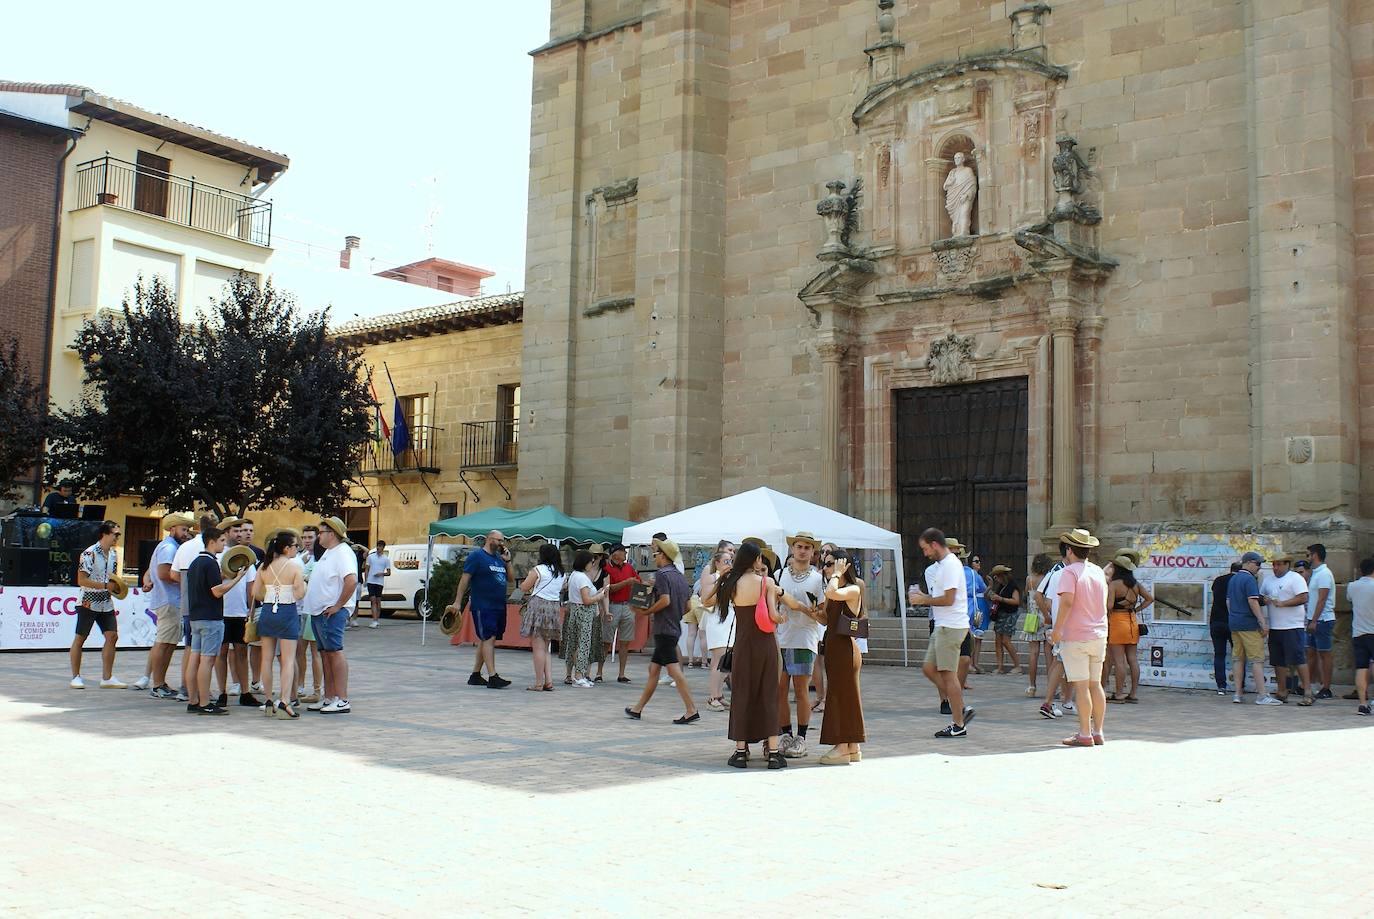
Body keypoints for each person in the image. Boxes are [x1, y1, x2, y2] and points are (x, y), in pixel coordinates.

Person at [709, 540, 784, 766]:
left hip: (743, 645)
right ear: (757, 559)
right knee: (769, 694)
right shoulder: (766, 582)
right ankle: (772, 753)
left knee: (741, 695)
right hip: (766, 646)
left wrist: (722, 578)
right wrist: (783, 617)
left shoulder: (732, 583)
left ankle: (741, 752)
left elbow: (706, 600)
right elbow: (773, 615)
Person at [624, 538, 700, 726]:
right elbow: (688, 606)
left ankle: (691, 709)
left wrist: (646, 611)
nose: (654, 557)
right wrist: (673, 614)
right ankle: (637, 709)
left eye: (656, 554)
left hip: (664, 628)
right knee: (654, 670)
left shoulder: (662, 575)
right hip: (672, 627)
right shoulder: (681, 577)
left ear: (664, 556)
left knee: (674, 670)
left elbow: (665, 600)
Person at [910, 528, 974, 738]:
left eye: (926, 548)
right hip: (943, 625)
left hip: (951, 626)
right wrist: (923, 596)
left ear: (935, 544)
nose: (925, 553)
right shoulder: (943, 565)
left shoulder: (950, 565)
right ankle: (960, 706)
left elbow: (948, 599)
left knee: (948, 675)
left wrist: (923, 600)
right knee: (929, 668)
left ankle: (958, 723)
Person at [1050, 528, 1110, 747]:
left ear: (1069, 550)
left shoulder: (1069, 572)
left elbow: (1066, 601)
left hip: (1076, 636)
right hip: (1098, 634)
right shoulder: (1097, 571)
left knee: (1082, 686)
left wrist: (1057, 630)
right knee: (1096, 685)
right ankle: (1098, 731)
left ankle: (1084, 733)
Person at [185, 527, 248, 716]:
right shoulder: (210, 563)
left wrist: (227, 576)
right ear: (212, 541)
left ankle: (193, 700)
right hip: (210, 618)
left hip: (196, 617)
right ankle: (205, 703)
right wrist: (237, 579)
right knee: (207, 660)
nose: (224, 544)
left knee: (194, 659)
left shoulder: (196, 562)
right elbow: (216, 591)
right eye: (222, 541)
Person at [774, 532, 825, 758]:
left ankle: (801, 737)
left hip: (804, 638)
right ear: (792, 549)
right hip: (780, 638)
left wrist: (809, 611)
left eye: (807, 547)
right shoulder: (779, 574)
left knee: (801, 689)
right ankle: (785, 733)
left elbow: (824, 615)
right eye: (799, 546)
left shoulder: (817, 579)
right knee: (779, 688)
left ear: (813, 552)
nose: (802, 550)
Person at [302, 517, 358, 713]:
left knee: (335, 652)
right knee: (325, 654)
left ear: (331, 534)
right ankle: (329, 697)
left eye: (321, 532)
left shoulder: (342, 553)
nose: (318, 536)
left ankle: (342, 699)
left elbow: (351, 581)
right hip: (319, 612)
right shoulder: (329, 553)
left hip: (330, 612)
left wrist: (338, 606)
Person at [816, 549, 866, 765]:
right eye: (825, 565)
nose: (826, 568)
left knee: (842, 697)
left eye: (830, 564)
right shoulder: (835, 588)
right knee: (843, 695)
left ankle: (843, 746)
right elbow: (827, 619)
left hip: (845, 649)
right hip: (834, 647)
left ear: (843, 566)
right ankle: (852, 745)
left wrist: (836, 574)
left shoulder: (853, 589)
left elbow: (831, 593)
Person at [69, 520, 128, 689]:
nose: (117, 537)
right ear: (104, 534)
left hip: (106, 601)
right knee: (81, 638)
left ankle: (107, 678)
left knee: (112, 636)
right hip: (88, 601)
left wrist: (116, 586)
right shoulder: (89, 553)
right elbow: (81, 580)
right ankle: (76, 676)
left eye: (118, 534)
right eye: (115, 534)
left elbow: (112, 578)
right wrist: (104, 586)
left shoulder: (114, 554)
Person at [140, 513, 193, 698]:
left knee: (168, 644)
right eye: (183, 529)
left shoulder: (167, 547)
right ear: (173, 529)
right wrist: (188, 581)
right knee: (163, 644)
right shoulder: (169, 548)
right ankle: (158, 684)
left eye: (187, 530)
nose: (186, 533)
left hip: (170, 600)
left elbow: (154, 572)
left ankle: (160, 683)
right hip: (170, 601)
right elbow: (164, 573)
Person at [254, 529, 306, 718]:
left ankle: (268, 700)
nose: (296, 549)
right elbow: (300, 593)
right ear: (286, 548)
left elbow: (256, 593)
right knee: (288, 660)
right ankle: (285, 701)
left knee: (266, 659)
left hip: (268, 610)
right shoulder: (294, 567)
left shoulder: (264, 566)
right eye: (294, 546)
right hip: (286, 611)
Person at [455, 530, 514, 689]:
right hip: (483, 605)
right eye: (499, 540)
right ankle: (493, 676)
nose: (502, 543)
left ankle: (475, 675)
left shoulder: (499, 558)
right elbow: (465, 579)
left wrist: (508, 562)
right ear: (489, 539)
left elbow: (511, 579)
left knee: (486, 638)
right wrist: (457, 602)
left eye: (503, 540)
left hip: (498, 605)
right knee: (489, 638)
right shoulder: (477, 557)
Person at [170, 512, 218, 701]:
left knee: (190, 649)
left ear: (199, 525)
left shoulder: (185, 547)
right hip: (207, 608)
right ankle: (204, 692)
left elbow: (174, 575)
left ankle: (185, 688)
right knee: (207, 654)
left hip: (188, 605)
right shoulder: (213, 548)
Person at [215, 520, 261, 709]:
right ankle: (221, 692)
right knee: (221, 653)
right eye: (237, 530)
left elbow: (251, 588)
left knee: (242, 651)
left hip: (239, 612)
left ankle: (245, 692)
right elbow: (214, 582)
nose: (241, 534)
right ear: (227, 533)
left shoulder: (246, 556)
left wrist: (251, 612)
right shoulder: (218, 555)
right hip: (221, 611)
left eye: (243, 530)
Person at [1260, 554, 1313, 705]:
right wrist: (1264, 600)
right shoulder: (1269, 580)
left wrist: (1283, 603)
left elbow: (1303, 597)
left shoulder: (1295, 578)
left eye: (1279, 564)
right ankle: (1282, 691)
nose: (1275, 568)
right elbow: (1262, 597)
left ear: (1287, 564)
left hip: (1292, 626)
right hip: (1275, 626)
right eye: (1274, 564)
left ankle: (1308, 692)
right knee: (1278, 661)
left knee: (1298, 659)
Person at [1229, 551, 1278, 705]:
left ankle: (1238, 693)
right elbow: (1253, 602)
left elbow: (1228, 602)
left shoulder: (1234, 578)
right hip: (1248, 625)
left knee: (1238, 659)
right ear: (1249, 562)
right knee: (1257, 660)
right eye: (1258, 564)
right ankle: (1262, 695)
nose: (1259, 567)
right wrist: (1263, 622)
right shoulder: (1249, 579)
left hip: (1234, 623)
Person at [518, 543, 566, 692]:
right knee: (546, 647)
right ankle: (549, 681)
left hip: (538, 606)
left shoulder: (538, 570)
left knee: (538, 647)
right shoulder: (561, 573)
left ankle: (539, 683)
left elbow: (524, 587)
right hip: (553, 608)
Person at [596, 544, 641, 684]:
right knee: (606, 640)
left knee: (625, 641)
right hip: (613, 606)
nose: (625, 554)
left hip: (627, 606)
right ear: (616, 553)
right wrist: (626, 582)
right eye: (623, 551)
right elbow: (608, 589)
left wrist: (642, 583)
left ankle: (622, 673)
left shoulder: (629, 567)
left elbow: (638, 580)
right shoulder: (606, 569)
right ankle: (599, 672)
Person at [561, 549, 606, 687]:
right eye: (591, 562)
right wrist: (600, 596)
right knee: (583, 644)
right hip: (584, 612)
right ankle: (579, 675)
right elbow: (587, 600)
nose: (593, 564)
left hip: (575, 610)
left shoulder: (574, 575)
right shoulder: (582, 577)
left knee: (574, 643)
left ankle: (576, 675)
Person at [698, 548, 735, 711]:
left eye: (731, 561)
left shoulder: (731, 577)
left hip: (730, 619)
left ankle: (719, 694)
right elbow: (707, 600)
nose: (729, 564)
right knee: (718, 659)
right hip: (717, 620)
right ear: (718, 563)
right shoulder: (712, 576)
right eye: (726, 561)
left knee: (727, 659)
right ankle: (712, 696)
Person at [1105, 555, 1144, 704]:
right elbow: (1150, 598)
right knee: (1133, 659)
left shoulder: (1114, 584)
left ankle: (1119, 693)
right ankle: (1133, 693)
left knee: (1119, 660)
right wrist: (1136, 610)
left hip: (1117, 622)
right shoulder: (1135, 584)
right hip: (1132, 622)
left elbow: (1109, 606)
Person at [293, 525, 324, 703]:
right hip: (300, 610)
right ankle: (300, 686)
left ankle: (317, 689)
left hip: (313, 610)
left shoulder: (320, 559)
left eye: (310, 537)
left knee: (315, 652)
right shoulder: (298, 558)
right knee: (299, 650)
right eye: (303, 537)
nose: (306, 540)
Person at [1304, 544, 1336, 699]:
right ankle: (1309, 685)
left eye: (1308, 555)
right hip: (1314, 619)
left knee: (1324, 654)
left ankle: (1326, 687)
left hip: (1322, 620)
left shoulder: (1324, 574)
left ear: (1315, 555)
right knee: (1310, 652)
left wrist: (1314, 620)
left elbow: (1322, 599)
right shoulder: (1316, 573)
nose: (1307, 558)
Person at [1346, 558, 1374, 715]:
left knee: (1361, 668)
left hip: (1358, 632)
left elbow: (1350, 600)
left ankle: (1362, 704)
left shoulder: (1352, 586)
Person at [1210, 563, 1241, 695]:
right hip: (1233, 621)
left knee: (1219, 654)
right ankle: (1240, 686)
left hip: (1216, 621)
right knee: (1239, 656)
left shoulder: (1218, 580)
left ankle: (1221, 686)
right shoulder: (1239, 581)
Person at [987, 565, 1022, 676]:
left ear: (1002, 575)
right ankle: (1000, 667)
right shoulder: (1001, 586)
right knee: (998, 641)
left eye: (997, 576)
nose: (996, 578)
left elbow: (1016, 601)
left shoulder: (1012, 586)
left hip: (1010, 615)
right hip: (1000, 615)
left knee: (1006, 641)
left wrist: (1000, 599)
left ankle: (1017, 666)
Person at [968, 554, 991, 673]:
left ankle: (975, 662)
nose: (978, 563)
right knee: (973, 634)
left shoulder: (977, 576)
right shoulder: (972, 575)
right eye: (976, 561)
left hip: (980, 607)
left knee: (978, 635)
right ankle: (970, 663)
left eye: (979, 561)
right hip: (976, 606)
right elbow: (984, 590)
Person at [364, 541, 391, 629]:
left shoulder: (386, 559)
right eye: (378, 546)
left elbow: (389, 573)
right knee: (373, 600)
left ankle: (376, 620)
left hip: (379, 582)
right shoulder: (371, 557)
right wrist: (366, 579)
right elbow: (367, 569)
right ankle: (374, 620)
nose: (379, 548)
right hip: (371, 581)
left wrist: (381, 574)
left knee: (378, 601)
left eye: (381, 546)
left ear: (383, 547)